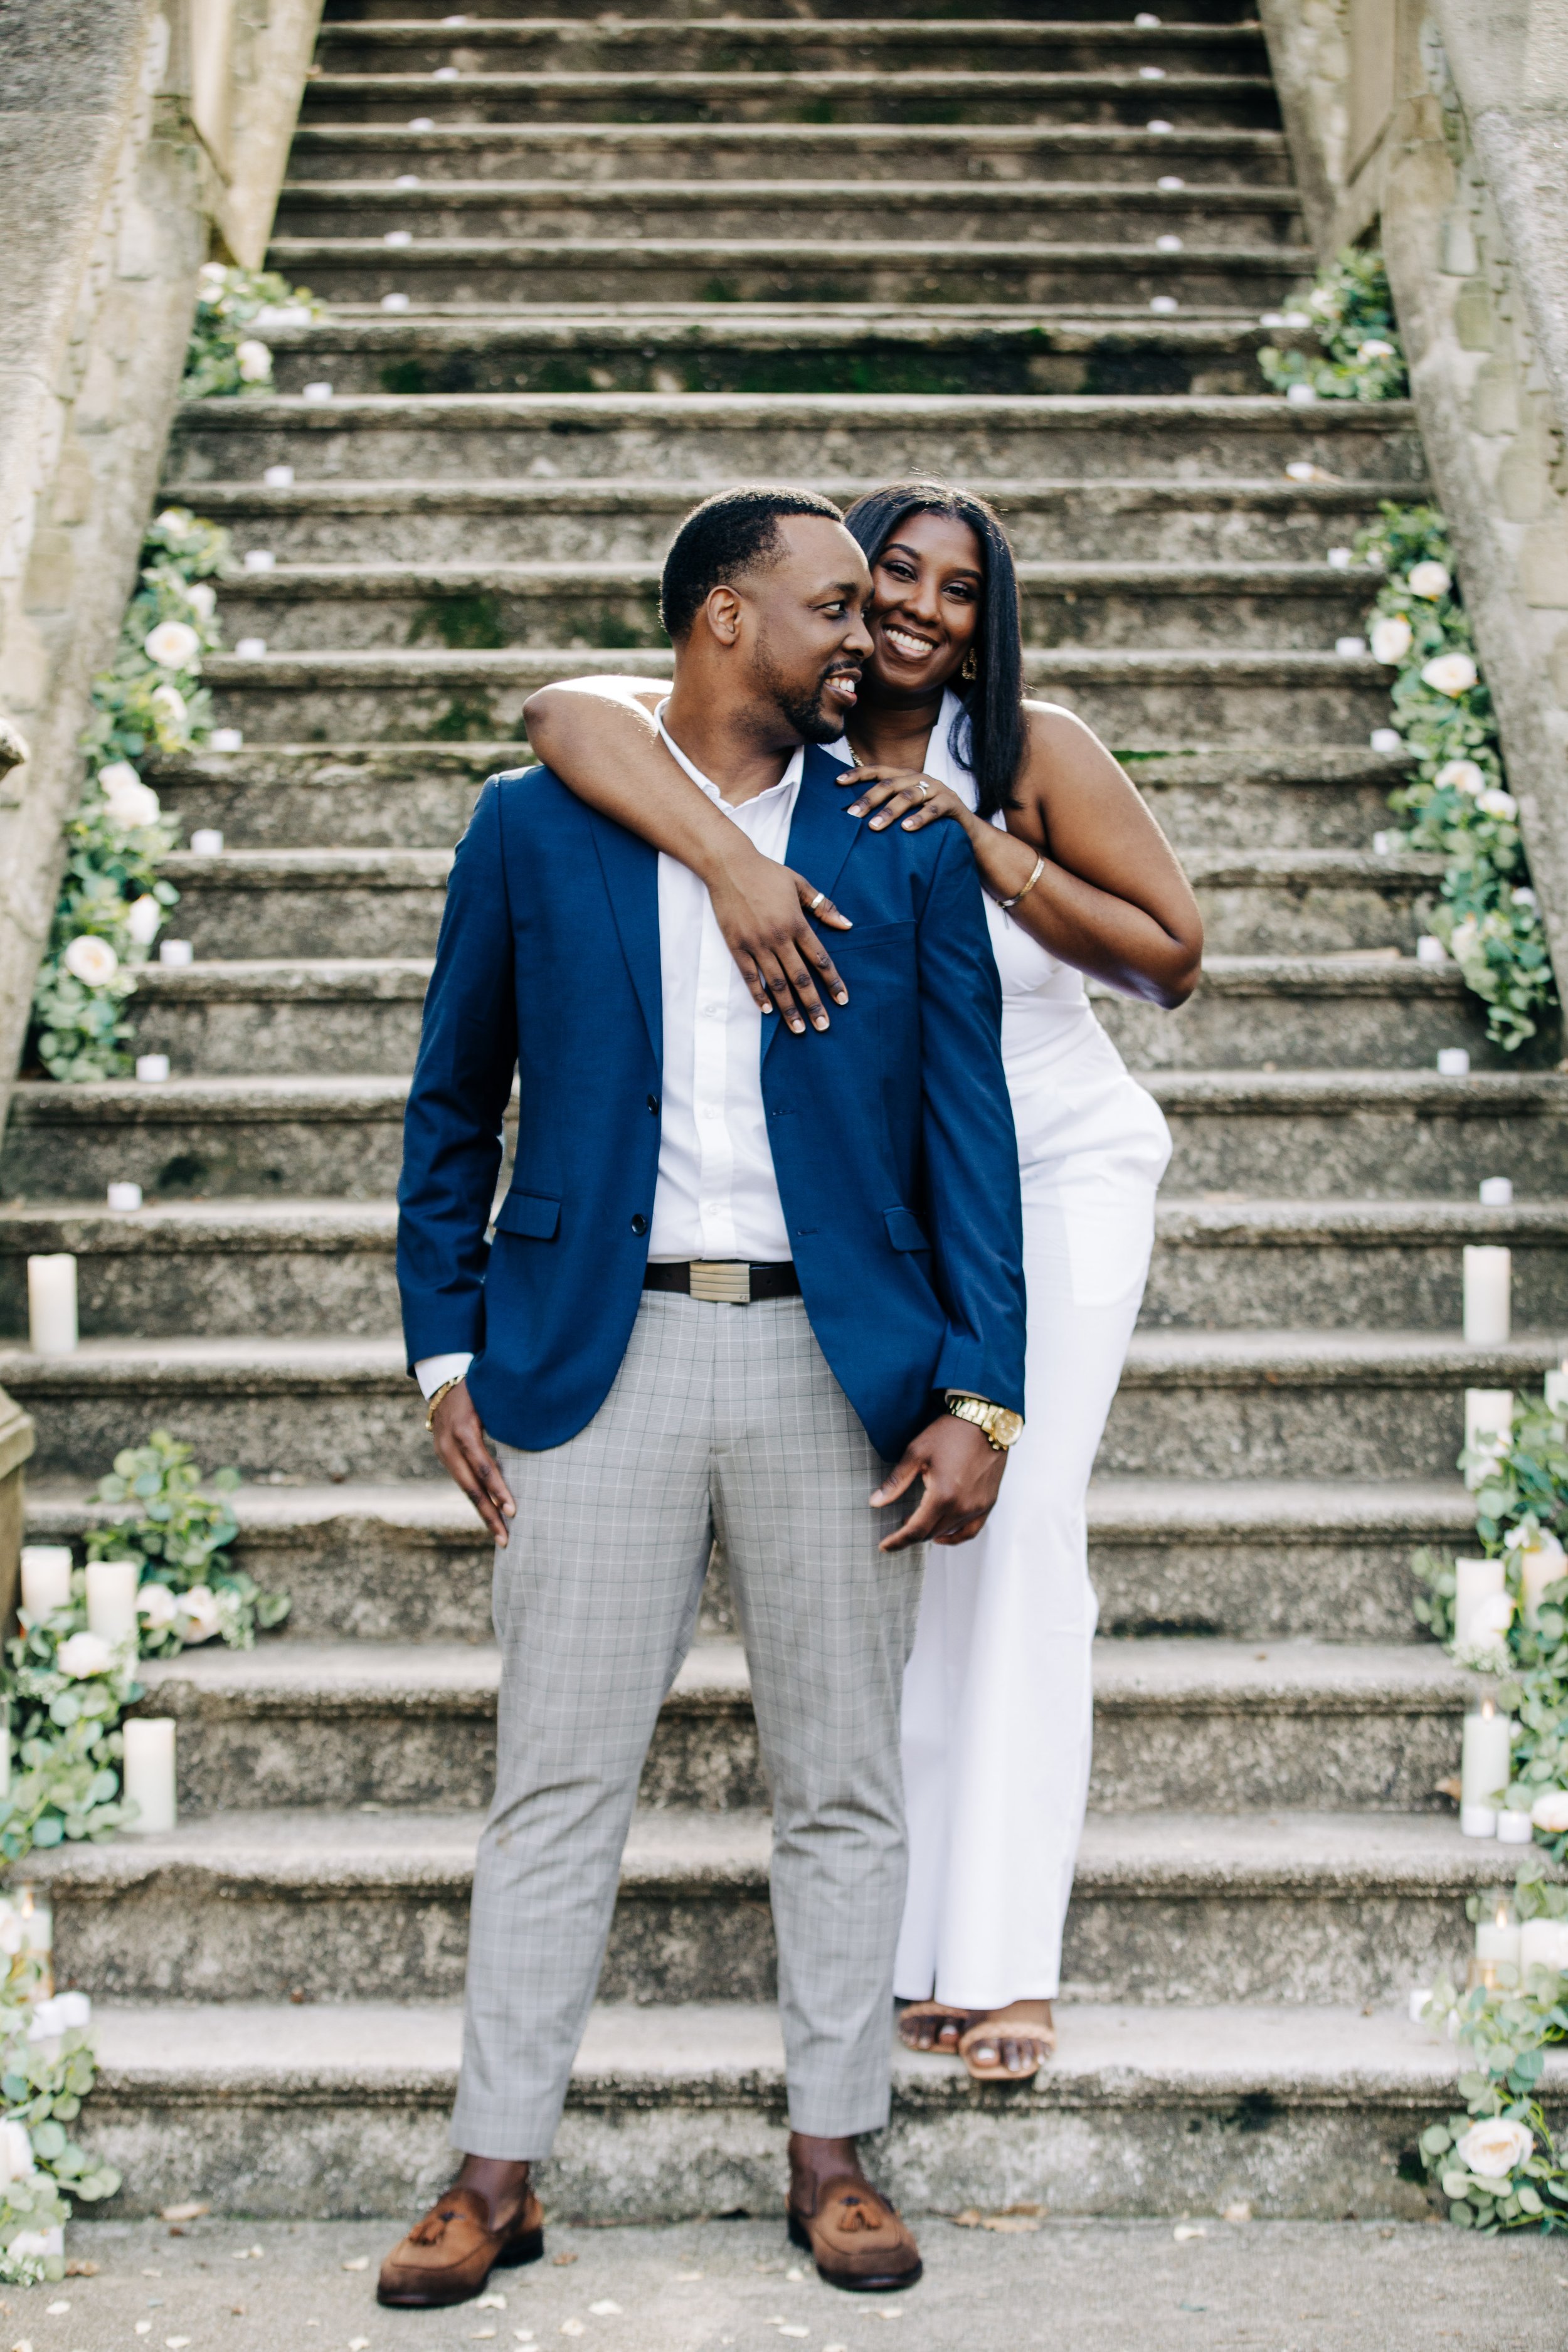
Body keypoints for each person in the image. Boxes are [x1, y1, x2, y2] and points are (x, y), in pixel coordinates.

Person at [382, 485, 1027, 2309]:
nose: (872, 631)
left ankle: (834, 2153)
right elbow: (452, 1107)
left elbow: (964, 1133)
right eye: (835, 601)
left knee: (841, 1781)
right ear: (728, 617)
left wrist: (984, 1386)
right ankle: (493, 2170)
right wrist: (447, 1347)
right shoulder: (535, 824)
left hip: (844, 1365)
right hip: (594, 1357)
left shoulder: (899, 838)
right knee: (556, 1782)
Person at [522, 479, 1202, 2085]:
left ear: (988, 619)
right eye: (888, 573)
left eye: (956, 590)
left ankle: (1004, 1956)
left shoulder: (1030, 750)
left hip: (1057, 1165)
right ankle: (901, 1942)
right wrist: (736, 866)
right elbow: (563, 710)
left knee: (1016, 1526)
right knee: (901, 1535)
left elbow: (1170, 956)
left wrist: (983, 849)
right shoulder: (788, 744)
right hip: (888, 1199)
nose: (914, 608)